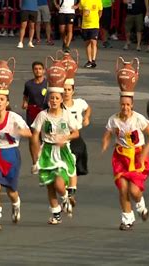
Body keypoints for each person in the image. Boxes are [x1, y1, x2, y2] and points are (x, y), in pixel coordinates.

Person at [30, 67, 79, 224]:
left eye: (57, 98)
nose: (54, 101)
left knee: (58, 181)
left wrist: (66, 137)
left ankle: (65, 196)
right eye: (51, 98)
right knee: (49, 185)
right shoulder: (42, 116)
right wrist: (35, 159)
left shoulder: (66, 115)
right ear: (48, 100)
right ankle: (56, 213)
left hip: (63, 151)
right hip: (47, 151)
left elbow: (76, 133)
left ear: (61, 100)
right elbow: (35, 136)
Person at [0, 81, 32, 231]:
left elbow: (29, 133)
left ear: (7, 102)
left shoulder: (14, 118)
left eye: (2, 99)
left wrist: (18, 132)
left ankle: (16, 204)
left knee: (11, 191)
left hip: (10, 155)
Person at [102, 92, 149, 230]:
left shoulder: (138, 119)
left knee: (134, 191)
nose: (125, 107)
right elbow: (107, 134)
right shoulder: (113, 119)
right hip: (121, 157)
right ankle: (127, 219)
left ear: (132, 105)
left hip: (137, 157)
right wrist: (105, 143)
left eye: (127, 105)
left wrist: (144, 153)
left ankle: (141, 206)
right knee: (123, 188)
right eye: (122, 104)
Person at [62, 78, 91, 208]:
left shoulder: (79, 103)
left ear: (73, 91)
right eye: (64, 90)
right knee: (63, 168)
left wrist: (86, 117)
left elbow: (88, 108)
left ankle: (70, 194)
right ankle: (66, 193)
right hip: (61, 139)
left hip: (76, 137)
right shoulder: (57, 104)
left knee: (72, 164)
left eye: (69, 90)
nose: (66, 92)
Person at [22, 61, 48, 126]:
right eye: (35, 69)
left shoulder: (48, 83)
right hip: (32, 112)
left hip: (45, 111)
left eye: (40, 69)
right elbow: (25, 96)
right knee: (32, 131)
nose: (38, 71)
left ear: (43, 71)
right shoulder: (28, 84)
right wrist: (25, 102)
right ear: (33, 71)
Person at [80, 0, 103, 68]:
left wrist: (96, 19)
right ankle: (89, 61)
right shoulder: (82, 1)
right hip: (85, 25)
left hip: (94, 25)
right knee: (87, 43)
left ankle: (93, 60)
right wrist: (85, 14)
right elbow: (81, 11)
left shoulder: (98, 1)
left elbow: (100, 12)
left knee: (93, 41)